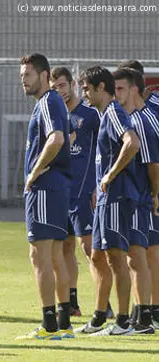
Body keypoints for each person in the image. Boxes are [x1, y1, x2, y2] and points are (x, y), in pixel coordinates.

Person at [75, 66, 141, 336]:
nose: (85, 95)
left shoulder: (113, 112)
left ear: (102, 88)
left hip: (116, 196)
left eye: (87, 89)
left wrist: (111, 175)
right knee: (98, 255)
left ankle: (124, 321)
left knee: (116, 258)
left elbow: (132, 142)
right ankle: (100, 316)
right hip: (105, 197)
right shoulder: (105, 115)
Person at [15, 53, 73, 340]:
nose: (23, 80)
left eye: (27, 75)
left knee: (39, 256)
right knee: (55, 257)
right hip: (58, 188)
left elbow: (58, 138)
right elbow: (69, 137)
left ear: (44, 75)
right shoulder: (54, 103)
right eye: (21, 75)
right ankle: (63, 323)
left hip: (45, 188)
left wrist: (34, 172)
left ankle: (49, 325)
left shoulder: (48, 101)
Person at [49, 67, 111, 318]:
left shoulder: (90, 115)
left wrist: (97, 185)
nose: (60, 91)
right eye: (55, 88)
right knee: (64, 248)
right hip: (61, 192)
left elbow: (105, 151)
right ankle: (72, 302)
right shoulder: (54, 115)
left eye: (63, 86)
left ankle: (104, 305)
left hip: (84, 193)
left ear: (72, 84)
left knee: (91, 251)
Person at [111, 67, 156, 333]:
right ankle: (143, 316)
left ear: (134, 89)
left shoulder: (142, 121)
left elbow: (153, 164)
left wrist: (154, 193)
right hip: (139, 196)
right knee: (139, 256)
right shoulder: (134, 118)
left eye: (120, 89)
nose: (116, 95)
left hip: (143, 198)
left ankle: (145, 318)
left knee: (141, 257)